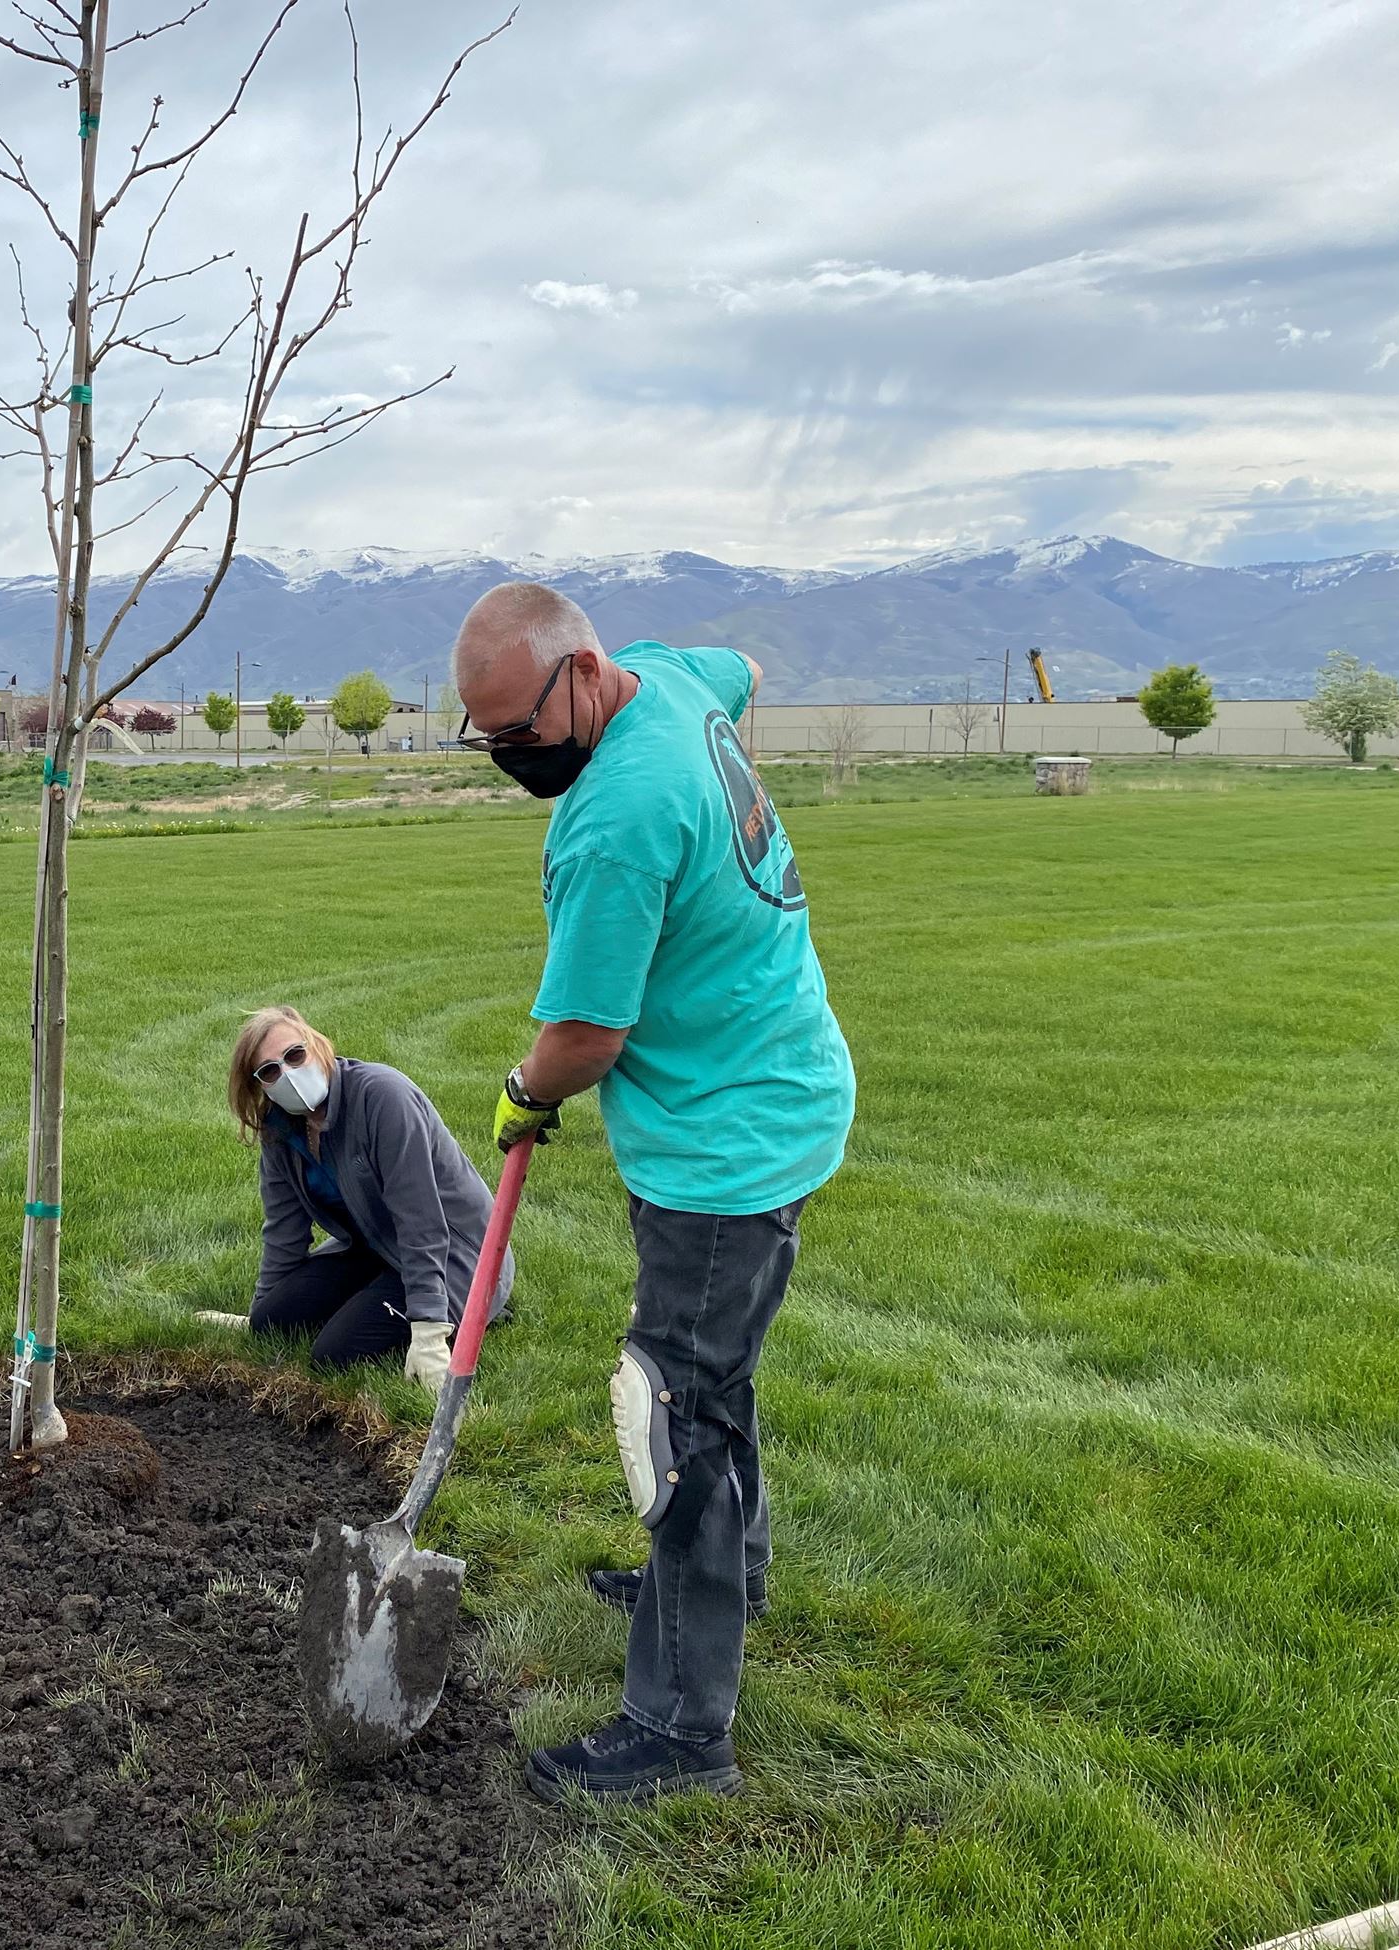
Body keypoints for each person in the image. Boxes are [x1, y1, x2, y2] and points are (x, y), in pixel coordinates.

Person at [452, 582, 854, 1806]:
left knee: (672, 1409)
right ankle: (726, 1577)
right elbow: (741, 668)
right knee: (711, 1386)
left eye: (523, 734)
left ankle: (681, 1728)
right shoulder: (670, 676)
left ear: (580, 675)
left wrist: (524, 1094)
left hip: (724, 1142)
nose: (514, 760)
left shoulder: (614, 822)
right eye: (492, 745)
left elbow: (581, 1034)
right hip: (773, 1083)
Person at [194, 1006, 512, 1386]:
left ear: (317, 1045)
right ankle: (371, 1296)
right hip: (372, 1249)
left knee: (335, 1353)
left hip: (458, 1254)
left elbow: (421, 1220)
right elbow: (283, 1229)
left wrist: (428, 1330)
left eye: (295, 1055)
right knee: (271, 1322)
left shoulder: (384, 1097)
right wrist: (266, 1315)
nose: (287, 1073)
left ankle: (477, 1311)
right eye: (270, 1071)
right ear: (259, 1085)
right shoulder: (280, 1131)